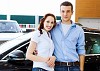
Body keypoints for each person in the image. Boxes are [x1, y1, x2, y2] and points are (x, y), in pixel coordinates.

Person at [50, 1, 85, 71]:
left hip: (74, 67)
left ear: (72, 12)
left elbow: (81, 50)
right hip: (58, 67)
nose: (65, 14)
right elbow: (44, 39)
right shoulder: (53, 27)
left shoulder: (79, 30)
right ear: (60, 12)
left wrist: (81, 69)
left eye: (68, 11)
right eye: (63, 11)